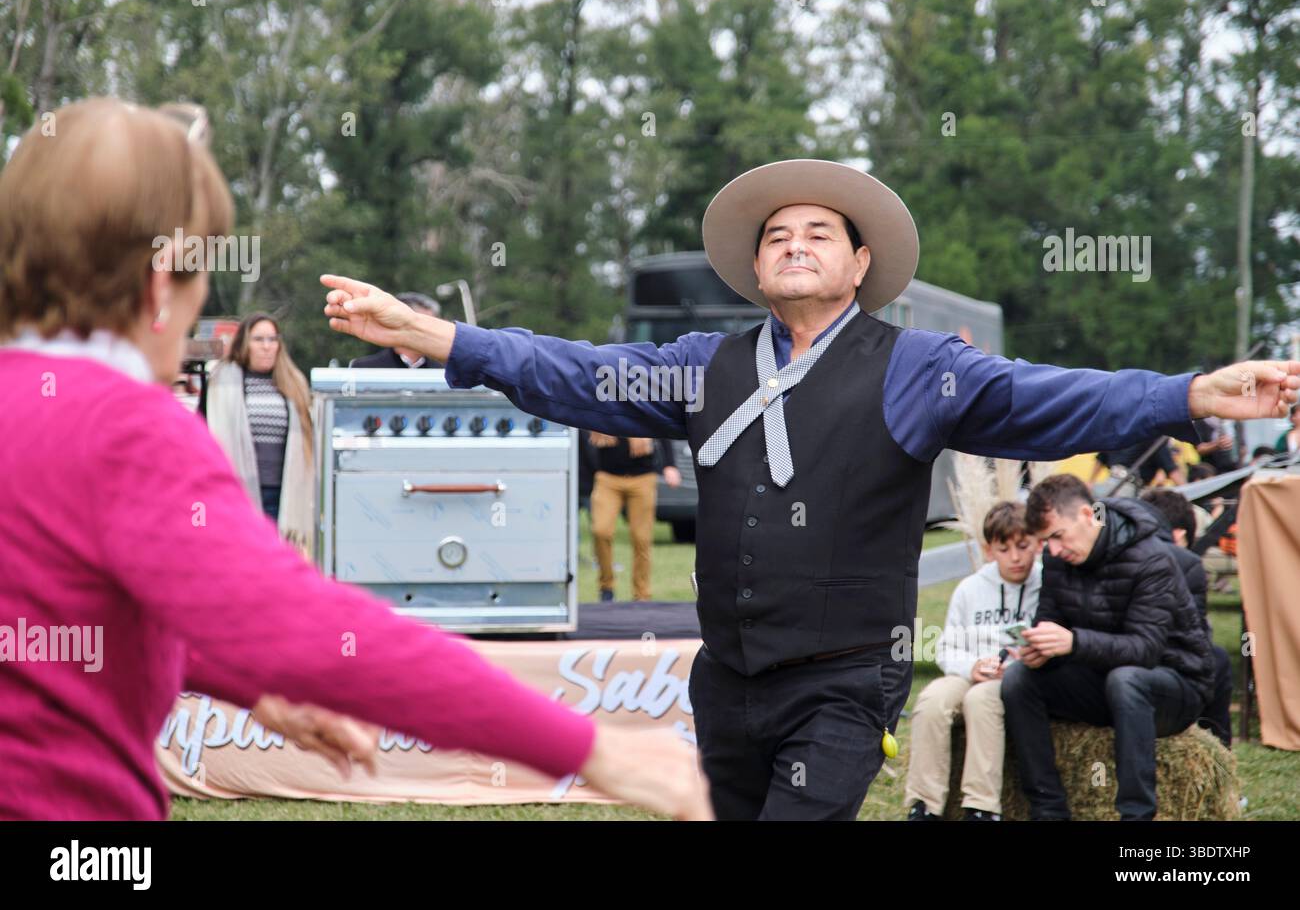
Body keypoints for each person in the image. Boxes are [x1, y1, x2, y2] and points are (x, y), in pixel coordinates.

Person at [320, 158, 1299, 820]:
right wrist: (433, 334)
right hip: (725, 681)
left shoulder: (915, 366)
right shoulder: (704, 364)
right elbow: (577, 371)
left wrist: (1184, 392)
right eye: (777, 234)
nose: (794, 242)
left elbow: (1048, 397)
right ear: (755, 267)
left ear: (860, 263)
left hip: (843, 682)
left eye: (819, 232)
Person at [0, 97, 709, 821]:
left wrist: (252, 688)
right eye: (202, 270)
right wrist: (596, 751)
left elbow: (69, 629)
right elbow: (307, 628)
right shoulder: (126, 428)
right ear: (159, 286)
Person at [1004, 475, 1216, 820]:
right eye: (1045, 541)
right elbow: (1050, 621)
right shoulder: (1057, 559)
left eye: (1057, 536)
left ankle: (1136, 816)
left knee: (1127, 679)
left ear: (1087, 515)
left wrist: (1073, 642)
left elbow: (1145, 650)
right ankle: (1048, 810)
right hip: (1103, 680)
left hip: (1175, 685)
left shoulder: (1151, 559)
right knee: (1019, 679)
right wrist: (1039, 650)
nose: (1052, 550)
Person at [904, 501, 1041, 822]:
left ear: (1037, 543)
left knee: (980, 700)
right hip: (970, 669)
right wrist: (971, 667)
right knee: (932, 700)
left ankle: (981, 807)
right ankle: (924, 805)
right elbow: (947, 648)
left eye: (1023, 546)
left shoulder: (1045, 584)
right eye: (1004, 549)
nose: (1015, 557)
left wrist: (1019, 664)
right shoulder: (970, 588)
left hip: (1016, 677)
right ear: (988, 550)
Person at [203, 313, 314, 552]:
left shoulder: (294, 383)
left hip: (281, 495)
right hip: (236, 493)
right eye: (259, 339)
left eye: (272, 339)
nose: (266, 346)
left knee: (276, 561)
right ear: (244, 343)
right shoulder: (220, 382)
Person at [1140, 487, 1233, 747]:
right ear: (1180, 534)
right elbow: (1194, 638)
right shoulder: (1183, 563)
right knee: (1216, 659)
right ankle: (1217, 748)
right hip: (1152, 662)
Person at [588, 434, 681, 601]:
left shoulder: (644, 415)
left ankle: (641, 594)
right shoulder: (603, 416)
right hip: (607, 478)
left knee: (641, 538)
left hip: (642, 478)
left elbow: (661, 432)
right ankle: (606, 587)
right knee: (601, 531)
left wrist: (670, 465)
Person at [350, 292, 443, 368]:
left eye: (432, 324)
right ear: (397, 324)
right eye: (422, 324)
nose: (429, 331)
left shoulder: (444, 371)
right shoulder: (365, 368)